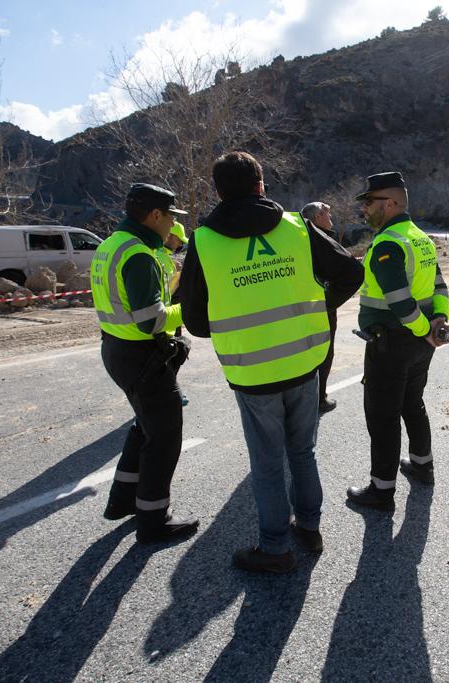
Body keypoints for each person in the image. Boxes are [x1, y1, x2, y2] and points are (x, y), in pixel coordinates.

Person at [177, 151, 363, 573]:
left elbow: (195, 321)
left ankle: (275, 548)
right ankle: (310, 529)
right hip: (304, 360)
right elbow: (351, 273)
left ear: (218, 192)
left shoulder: (204, 242)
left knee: (266, 463)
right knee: (303, 452)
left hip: (252, 369)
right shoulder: (298, 228)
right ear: (261, 186)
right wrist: (318, 309)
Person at [91, 183, 198, 544]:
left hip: (119, 350)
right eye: (170, 217)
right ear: (155, 215)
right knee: (165, 435)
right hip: (141, 356)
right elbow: (150, 320)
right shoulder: (138, 255)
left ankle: (122, 500)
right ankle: (153, 519)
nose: (172, 225)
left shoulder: (112, 244)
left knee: (145, 427)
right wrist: (192, 311)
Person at [347, 171, 449, 512]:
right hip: (419, 344)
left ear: (391, 203)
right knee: (412, 404)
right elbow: (439, 287)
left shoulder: (389, 243)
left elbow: (400, 301)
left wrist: (424, 330)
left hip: (392, 344)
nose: (364, 208)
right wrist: (439, 322)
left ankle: (381, 490)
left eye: (369, 202)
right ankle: (422, 466)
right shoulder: (419, 237)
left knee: (383, 417)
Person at [300, 201, 348, 414]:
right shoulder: (320, 239)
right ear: (318, 217)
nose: (331, 219)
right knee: (324, 351)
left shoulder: (300, 238)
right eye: (328, 214)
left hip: (305, 303)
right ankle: (319, 398)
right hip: (322, 303)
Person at [157, 222, 190, 406]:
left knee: (171, 354)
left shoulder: (162, 255)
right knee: (171, 354)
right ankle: (170, 393)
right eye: (178, 240)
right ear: (170, 236)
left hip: (167, 314)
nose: (180, 245)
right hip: (167, 316)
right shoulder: (165, 260)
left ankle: (172, 391)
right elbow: (169, 291)